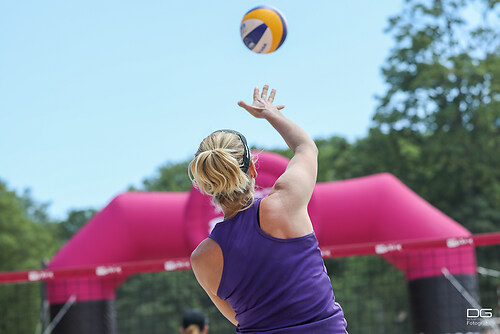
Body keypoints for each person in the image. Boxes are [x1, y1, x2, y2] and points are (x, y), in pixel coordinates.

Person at [189, 85, 348, 333]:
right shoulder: (286, 201)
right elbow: (306, 148)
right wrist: (270, 113)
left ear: (206, 188)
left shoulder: (202, 259)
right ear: (252, 168)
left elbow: (240, 318)